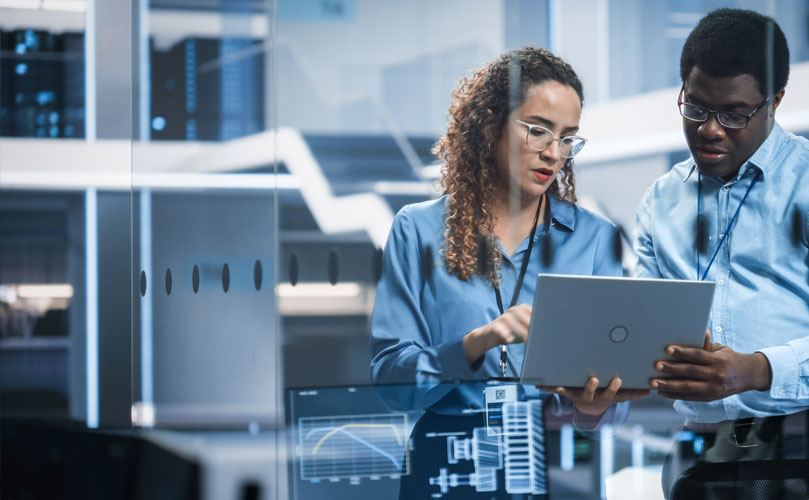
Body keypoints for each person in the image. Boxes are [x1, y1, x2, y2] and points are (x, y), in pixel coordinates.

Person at [370, 46, 647, 499]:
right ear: (490, 124)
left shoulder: (594, 238)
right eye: (538, 131)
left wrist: (593, 406)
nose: (554, 153)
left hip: (550, 461)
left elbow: (609, 405)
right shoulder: (417, 229)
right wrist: (477, 343)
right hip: (444, 463)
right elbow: (392, 384)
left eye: (567, 138)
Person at [632, 8, 809, 495]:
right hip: (699, 457)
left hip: (797, 452)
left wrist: (754, 369)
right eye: (695, 108)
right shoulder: (661, 200)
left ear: (774, 102)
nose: (710, 130)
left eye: (733, 114)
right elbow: (638, 327)